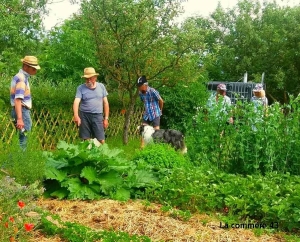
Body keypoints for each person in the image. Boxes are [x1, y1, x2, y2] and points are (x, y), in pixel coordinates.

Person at [10, 56, 41, 149]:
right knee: (23, 139)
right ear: (26, 66)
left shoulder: (19, 77)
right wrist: (20, 119)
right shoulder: (21, 80)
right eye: (33, 68)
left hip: (19, 110)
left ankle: (13, 163)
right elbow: (18, 99)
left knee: (21, 138)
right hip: (22, 111)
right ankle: (15, 163)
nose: (35, 71)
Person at [73, 67, 109, 144]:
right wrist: (76, 115)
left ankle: (103, 155)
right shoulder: (80, 88)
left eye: (90, 78)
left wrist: (106, 118)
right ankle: (87, 155)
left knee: (101, 139)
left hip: (98, 115)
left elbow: (105, 103)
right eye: (86, 79)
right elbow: (76, 102)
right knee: (86, 140)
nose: (88, 80)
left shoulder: (101, 87)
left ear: (95, 77)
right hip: (84, 116)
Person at [137, 75, 164, 148]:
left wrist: (160, 110)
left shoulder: (153, 91)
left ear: (145, 85)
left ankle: (157, 147)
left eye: (140, 85)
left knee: (157, 131)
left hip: (155, 113)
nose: (139, 87)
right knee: (143, 129)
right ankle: (142, 147)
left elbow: (161, 101)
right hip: (147, 114)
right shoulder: (140, 93)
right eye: (138, 86)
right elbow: (144, 102)